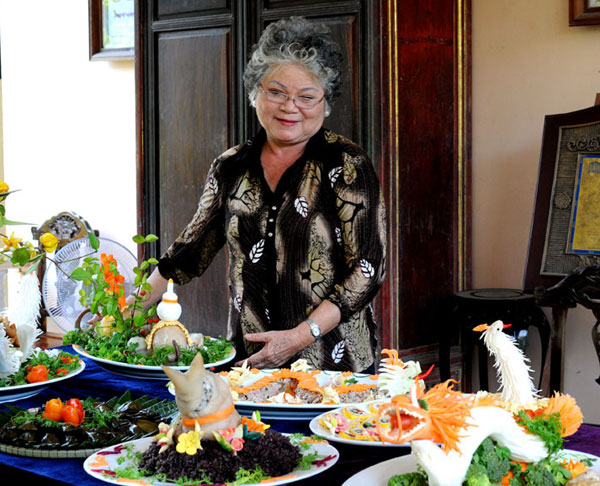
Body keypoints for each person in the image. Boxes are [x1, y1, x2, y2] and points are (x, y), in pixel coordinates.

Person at [140, 17, 386, 372]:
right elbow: (188, 252)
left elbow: (367, 268)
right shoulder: (230, 166)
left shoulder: (347, 164)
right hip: (250, 361)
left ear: (325, 103)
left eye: (306, 96)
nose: (290, 106)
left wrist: (298, 337)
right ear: (255, 93)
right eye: (276, 92)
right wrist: (127, 310)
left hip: (334, 367)